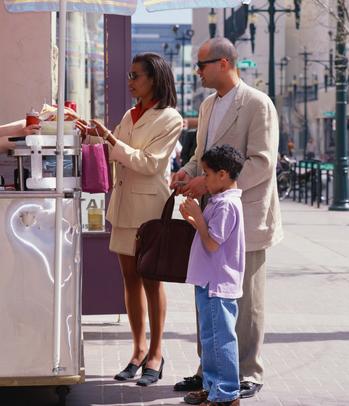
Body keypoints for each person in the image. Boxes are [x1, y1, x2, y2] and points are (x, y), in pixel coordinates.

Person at [170, 37, 283, 402]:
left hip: (246, 216)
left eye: (201, 65)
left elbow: (263, 162)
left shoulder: (257, 104)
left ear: (224, 63)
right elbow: (201, 155)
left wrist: (212, 183)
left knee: (246, 300)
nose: (197, 72)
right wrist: (187, 174)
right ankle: (210, 372)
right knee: (208, 292)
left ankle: (247, 372)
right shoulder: (206, 106)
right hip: (212, 216)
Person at [76, 53, 183, 386]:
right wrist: (88, 135)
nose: (130, 80)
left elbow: (149, 163)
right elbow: (114, 150)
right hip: (123, 207)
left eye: (135, 75)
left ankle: (156, 352)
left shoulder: (171, 119)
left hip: (149, 210)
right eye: (130, 74)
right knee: (130, 279)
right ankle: (137, 351)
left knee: (151, 279)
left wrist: (108, 137)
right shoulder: (131, 113)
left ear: (154, 79)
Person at [179, 144, 245, 406]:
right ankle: (213, 387)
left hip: (218, 283)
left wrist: (197, 217)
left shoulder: (227, 205)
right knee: (210, 339)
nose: (203, 179)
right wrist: (193, 219)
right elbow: (208, 235)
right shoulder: (220, 201)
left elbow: (212, 243)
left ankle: (227, 393)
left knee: (221, 339)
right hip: (209, 281)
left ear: (223, 174)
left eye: (206, 174)